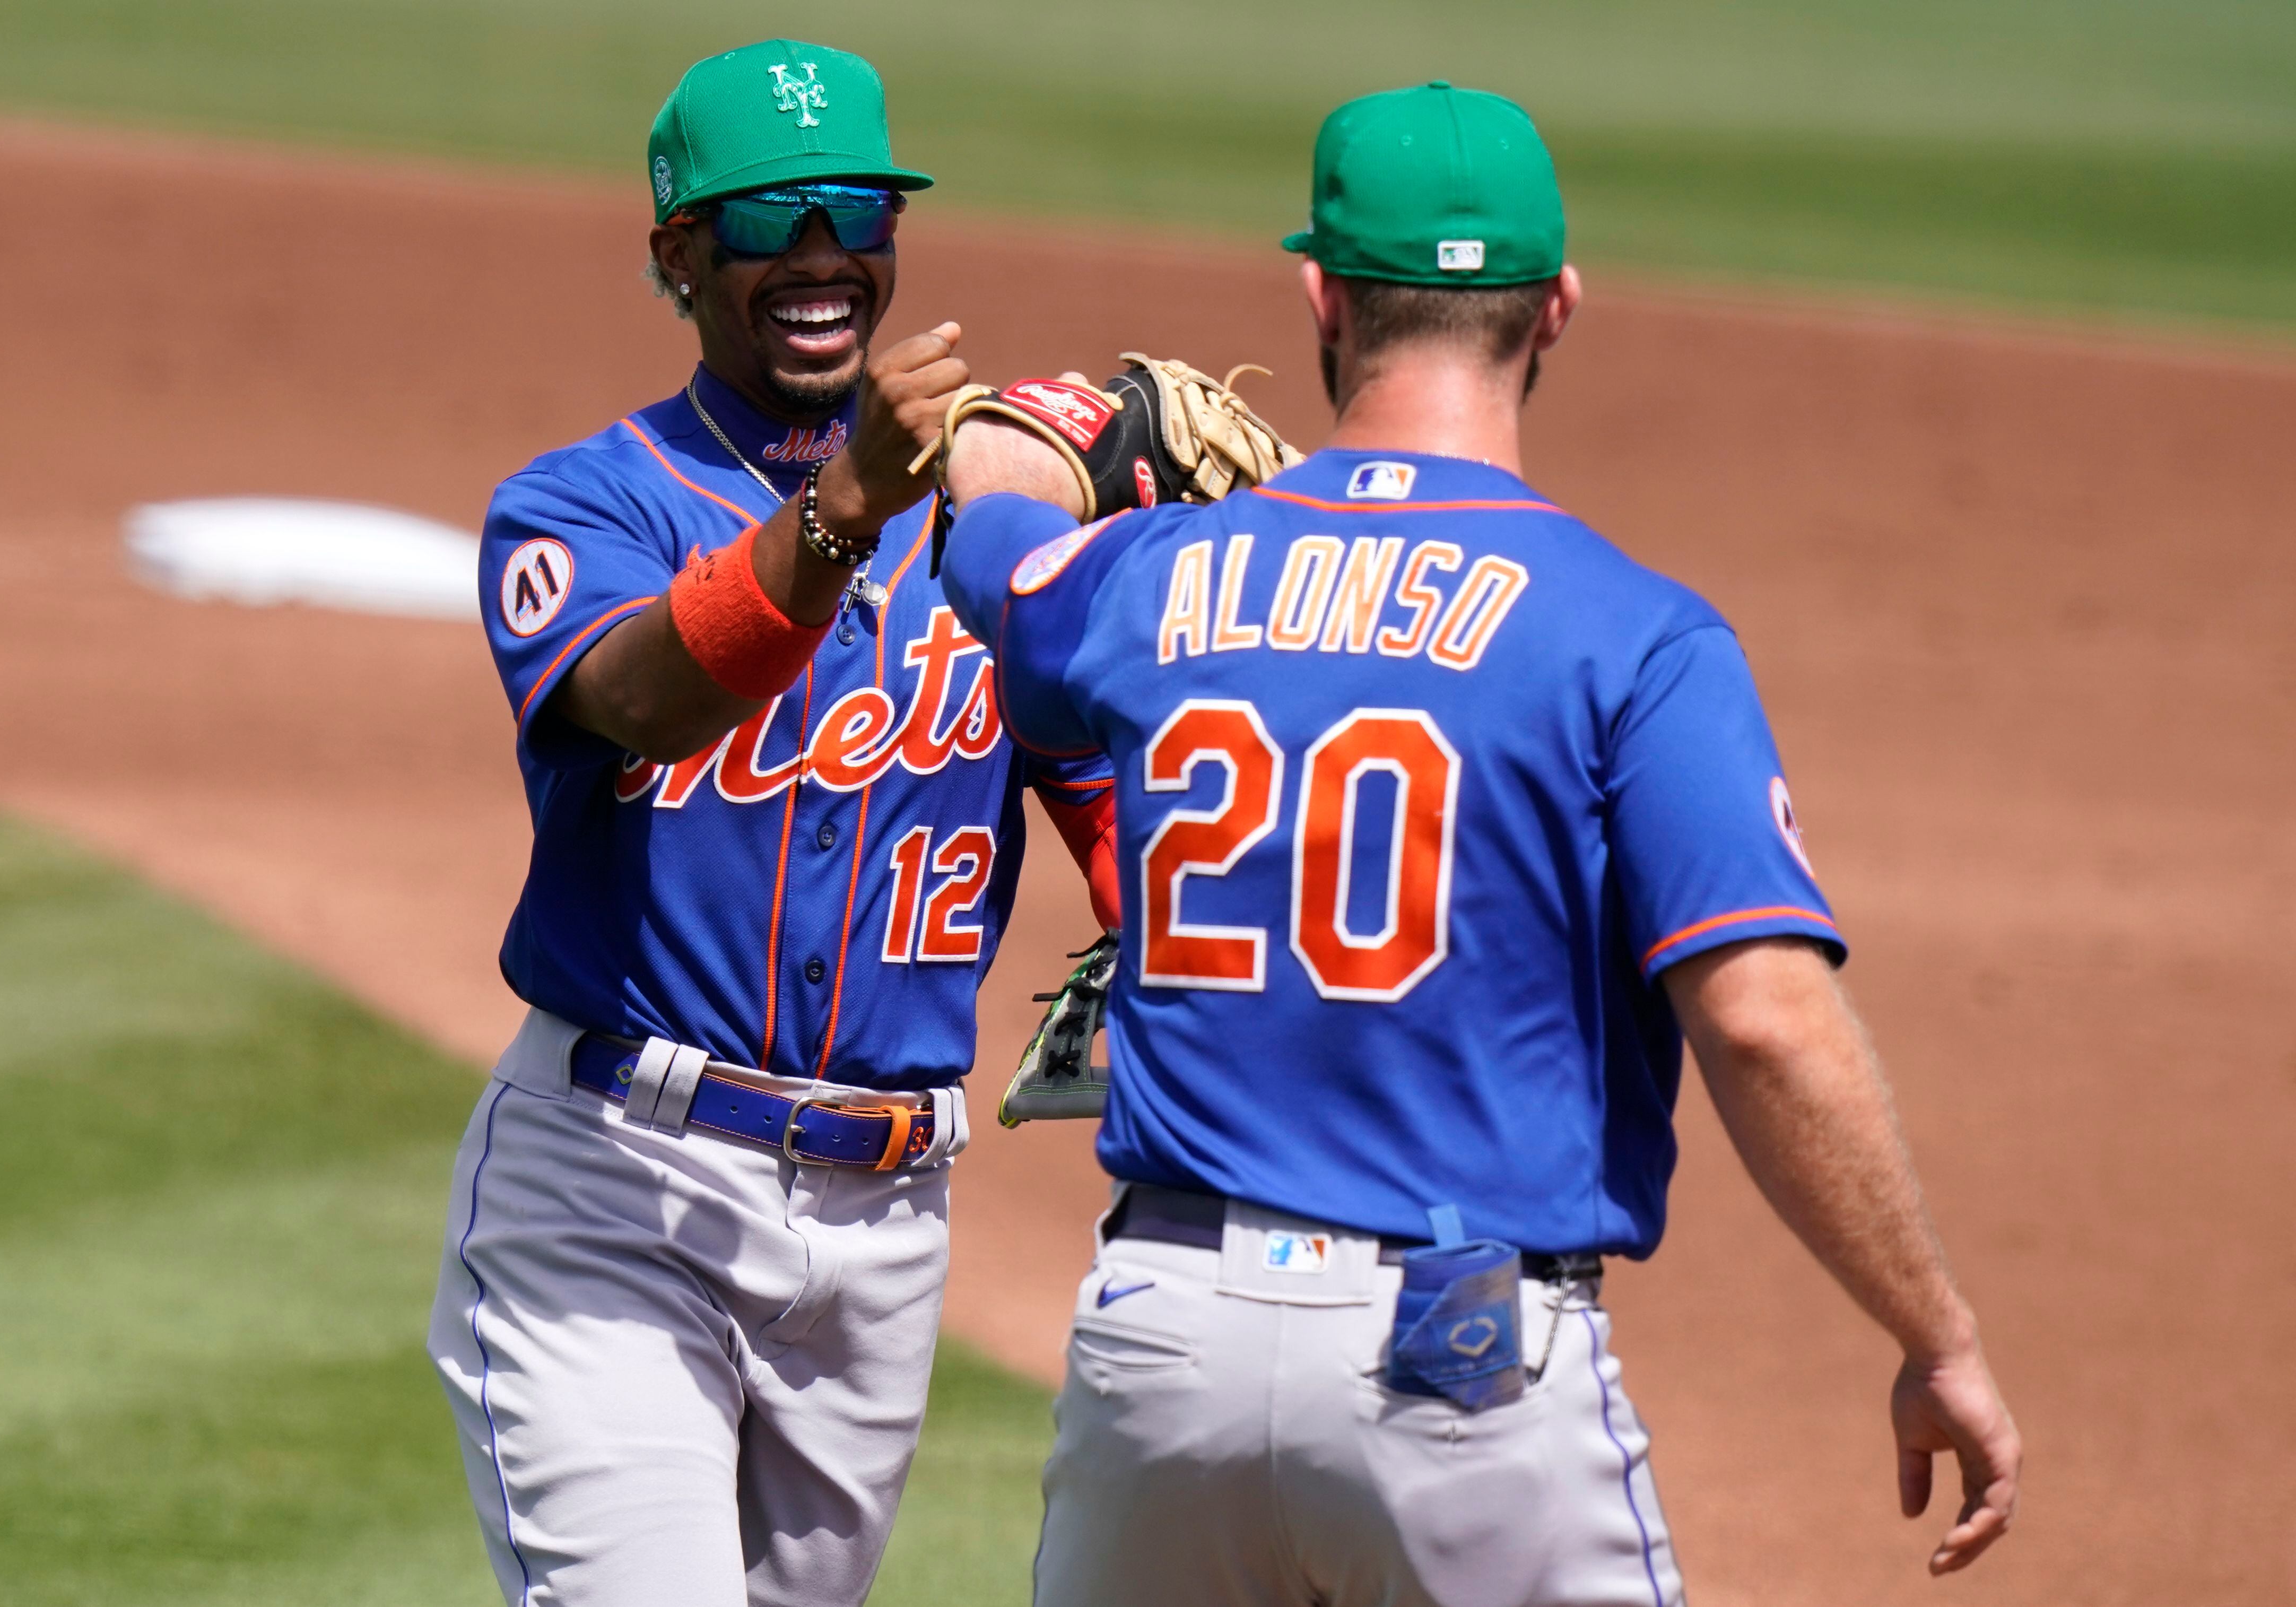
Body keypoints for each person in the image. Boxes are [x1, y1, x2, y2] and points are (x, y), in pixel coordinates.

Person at [934, 81, 2020, 1607]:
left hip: (1159, 1354)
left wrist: (1024, 440)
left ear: (1319, 294)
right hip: (1452, 1366)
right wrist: (1936, 1337)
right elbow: (1766, 1021)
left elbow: (997, 549)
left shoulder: (1146, 580)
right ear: (1558, 306)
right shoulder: (1634, 637)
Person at [425, 39, 1117, 1607]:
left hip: (886, 1240)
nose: (820, 260)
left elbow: (1123, 813)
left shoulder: (999, 524)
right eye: (768, 222)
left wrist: (1198, 596)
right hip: (617, 1197)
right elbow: (644, 698)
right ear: (680, 255)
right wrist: (844, 509)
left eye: (855, 214)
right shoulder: (584, 507)